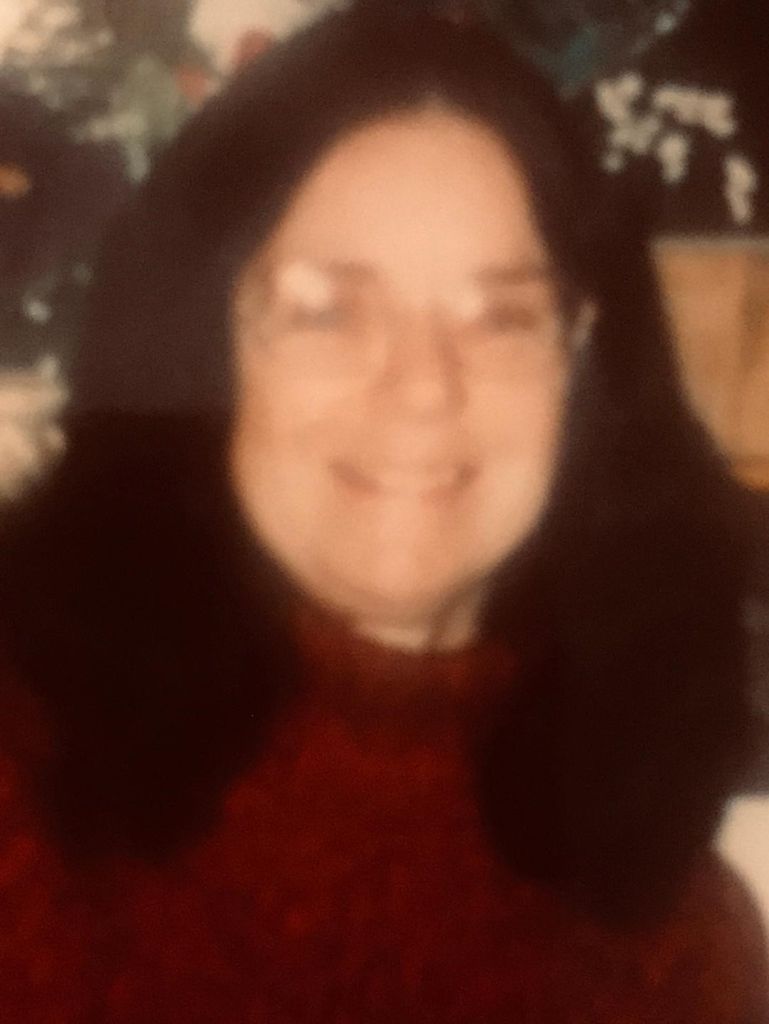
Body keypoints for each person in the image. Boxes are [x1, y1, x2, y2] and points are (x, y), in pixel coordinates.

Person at [0, 5, 766, 1021]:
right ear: (196, 344)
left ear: (584, 367)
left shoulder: (677, 932)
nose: (423, 389)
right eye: (328, 310)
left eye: (501, 318)